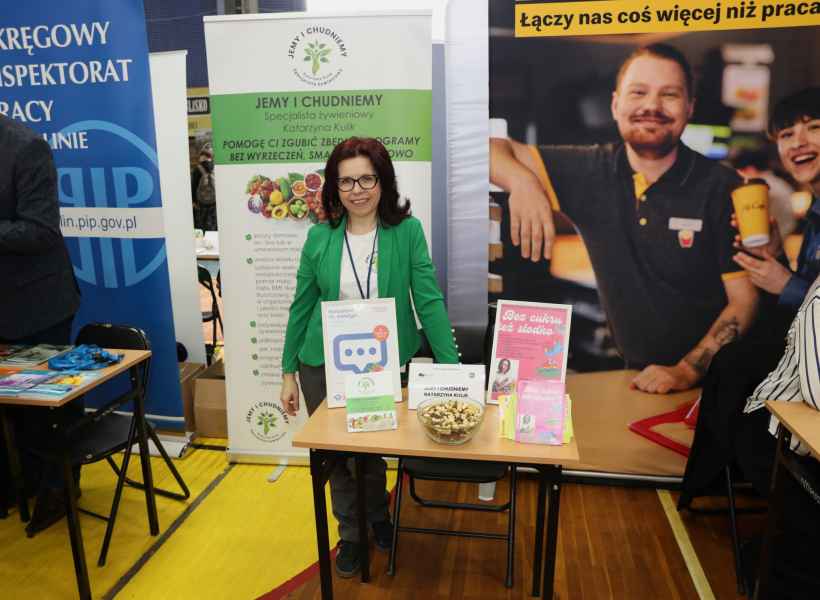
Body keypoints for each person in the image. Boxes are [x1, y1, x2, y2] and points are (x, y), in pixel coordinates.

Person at [490, 44, 759, 394]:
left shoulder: (724, 188)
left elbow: (744, 300)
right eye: (638, 92)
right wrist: (522, 182)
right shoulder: (590, 170)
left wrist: (685, 371)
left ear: (689, 107)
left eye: (669, 94)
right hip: (638, 379)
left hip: (722, 385)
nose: (652, 106)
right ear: (616, 105)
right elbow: (487, 147)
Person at [280, 137, 459, 578]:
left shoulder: (407, 232)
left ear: (383, 181)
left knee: (373, 447)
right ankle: (351, 534)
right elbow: (301, 307)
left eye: (366, 179)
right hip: (323, 365)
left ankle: (377, 514)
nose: (357, 190)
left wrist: (454, 370)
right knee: (338, 456)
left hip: (382, 361)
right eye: (346, 181)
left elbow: (428, 301)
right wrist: (287, 372)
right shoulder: (319, 238)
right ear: (334, 187)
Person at [681, 88, 820, 513]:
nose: (798, 142)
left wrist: (787, 284)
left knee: (737, 373)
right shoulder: (814, 211)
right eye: (787, 134)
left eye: (814, 128)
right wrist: (777, 259)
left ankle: (784, 514)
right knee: (734, 366)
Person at [0, 114, 81, 533]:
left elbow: (41, 230)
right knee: (11, 412)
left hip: (37, 304)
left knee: (48, 406)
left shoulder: (25, 147)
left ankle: (60, 488)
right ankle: (20, 484)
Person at [191, 136, 217, 231]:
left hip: (201, 202)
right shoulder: (215, 167)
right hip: (214, 201)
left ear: (202, 156)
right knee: (213, 222)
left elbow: (194, 186)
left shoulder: (197, 169)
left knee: (202, 223)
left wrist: (193, 201)